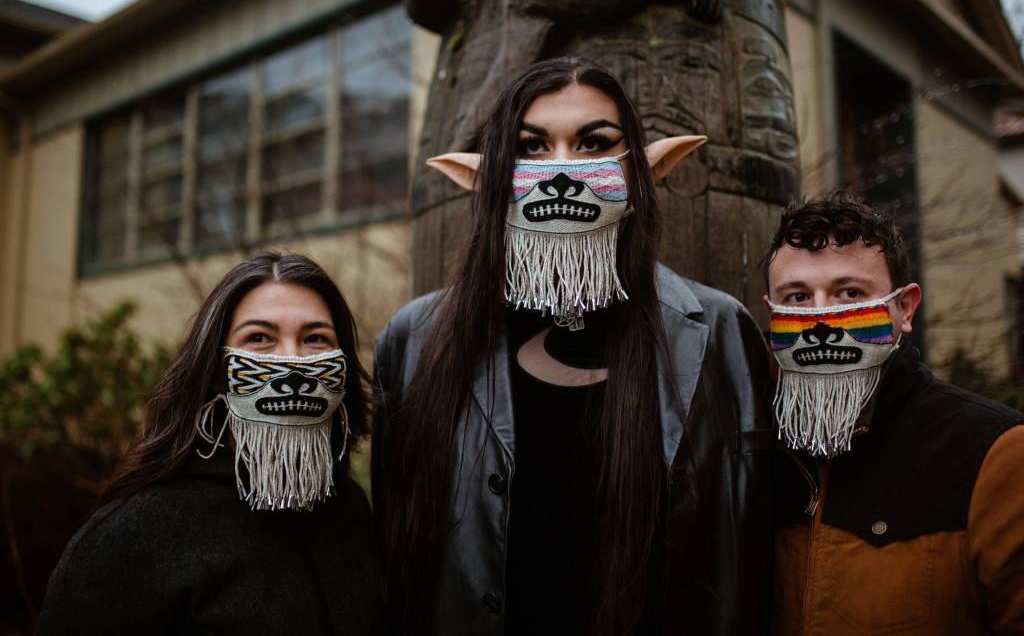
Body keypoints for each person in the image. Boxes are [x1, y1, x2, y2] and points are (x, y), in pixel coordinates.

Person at [372, 56, 775, 636]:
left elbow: (752, 541)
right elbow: (394, 551)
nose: (564, 170)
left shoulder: (720, 329)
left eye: (595, 144)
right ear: (492, 178)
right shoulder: (414, 339)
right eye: (531, 148)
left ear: (637, 169)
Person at [36, 253, 382, 635]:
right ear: (217, 370)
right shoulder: (136, 532)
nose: (292, 362)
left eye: (315, 338)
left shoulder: (350, 510)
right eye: (260, 338)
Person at [763, 193, 1024, 635]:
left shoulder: (994, 452)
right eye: (799, 296)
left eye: (849, 292)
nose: (823, 316)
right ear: (772, 314)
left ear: (903, 309)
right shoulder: (758, 451)